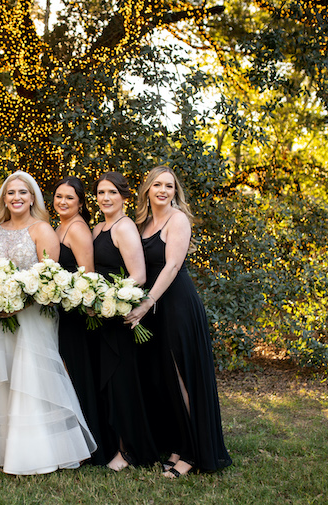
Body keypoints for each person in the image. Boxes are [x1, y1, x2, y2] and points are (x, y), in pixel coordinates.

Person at [0, 171, 96, 475]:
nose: (16, 198)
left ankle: (41, 450)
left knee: (33, 379)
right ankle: (2, 450)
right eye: (11, 193)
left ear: (32, 198)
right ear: (4, 198)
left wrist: (18, 305)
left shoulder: (42, 230)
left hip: (33, 316)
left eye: (23, 193)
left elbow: (48, 281)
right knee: (5, 379)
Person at [125, 166, 232, 477]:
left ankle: (192, 453)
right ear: (147, 189)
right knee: (162, 379)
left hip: (176, 304)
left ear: (175, 192)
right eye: (157, 184)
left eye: (169, 186)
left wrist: (146, 304)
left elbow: (171, 267)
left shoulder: (178, 220)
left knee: (181, 375)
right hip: (153, 306)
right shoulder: (143, 223)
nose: (162, 190)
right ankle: (176, 443)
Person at [92, 171, 158, 471]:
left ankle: (129, 450)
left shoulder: (124, 227)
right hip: (99, 316)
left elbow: (139, 276)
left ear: (124, 197)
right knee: (106, 385)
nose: (106, 198)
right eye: (101, 193)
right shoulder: (97, 229)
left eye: (112, 193)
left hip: (118, 315)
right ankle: (111, 447)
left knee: (121, 384)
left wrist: (109, 299)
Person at [52, 176, 108, 466]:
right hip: (60, 311)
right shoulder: (59, 226)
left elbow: (88, 276)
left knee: (77, 375)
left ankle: (91, 446)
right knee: (65, 377)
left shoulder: (77, 228)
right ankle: (72, 442)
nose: (62, 201)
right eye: (59, 196)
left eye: (69, 198)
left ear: (81, 203)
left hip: (75, 313)